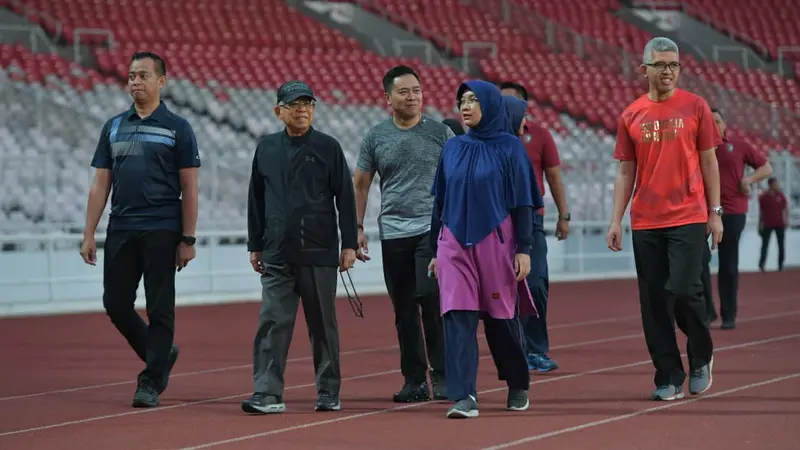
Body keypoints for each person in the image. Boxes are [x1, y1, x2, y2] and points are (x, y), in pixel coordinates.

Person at [80, 51, 199, 408]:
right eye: (132, 76)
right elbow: (100, 184)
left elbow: (189, 188)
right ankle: (159, 353)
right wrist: (89, 232)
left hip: (162, 228)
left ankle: (150, 381)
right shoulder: (113, 126)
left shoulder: (178, 128)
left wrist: (188, 239)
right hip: (122, 227)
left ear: (161, 81)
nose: (135, 81)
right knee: (115, 303)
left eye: (143, 76)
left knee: (160, 307)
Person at [606, 37, 721, 401]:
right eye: (660, 65)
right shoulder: (631, 114)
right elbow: (626, 171)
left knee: (686, 291)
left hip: (688, 215)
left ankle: (701, 356)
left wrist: (715, 213)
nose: (668, 71)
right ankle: (667, 374)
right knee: (654, 301)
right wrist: (615, 220)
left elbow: (709, 162)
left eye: (673, 65)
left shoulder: (696, 107)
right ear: (645, 69)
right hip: (645, 221)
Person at [242, 80, 358, 414]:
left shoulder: (328, 147)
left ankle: (328, 390)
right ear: (279, 111)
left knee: (322, 324)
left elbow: (345, 199)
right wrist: (255, 244)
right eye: (295, 105)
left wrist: (348, 244)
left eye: (308, 104)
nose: (302, 110)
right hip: (277, 251)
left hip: (318, 251)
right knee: (272, 321)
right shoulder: (265, 148)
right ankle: (267, 392)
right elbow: (256, 200)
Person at [428, 80, 543, 419]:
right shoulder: (452, 148)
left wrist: (524, 248)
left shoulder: (510, 147)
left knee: (501, 319)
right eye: (462, 100)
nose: (466, 106)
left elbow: (523, 202)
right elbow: (440, 201)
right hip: (453, 243)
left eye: (474, 99)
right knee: (457, 315)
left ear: (490, 105)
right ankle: (465, 395)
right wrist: (436, 248)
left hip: (497, 242)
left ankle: (518, 383)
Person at [353, 65, 454, 402]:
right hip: (393, 233)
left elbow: (457, 181)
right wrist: (356, 227)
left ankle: (442, 374)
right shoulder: (375, 137)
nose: (412, 97)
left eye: (417, 91)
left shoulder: (441, 134)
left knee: (431, 299)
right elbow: (361, 184)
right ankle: (415, 380)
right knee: (404, 310)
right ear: (387, 98)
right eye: (404, 92)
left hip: (432, 230)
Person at [499, 81, 570, 373]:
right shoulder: (483, 138)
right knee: (497, 288)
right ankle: (508, 350)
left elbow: (553, 176)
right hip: (495, 222)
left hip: (531, 220)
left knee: (535, 282)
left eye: (511, 103)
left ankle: (536, 349)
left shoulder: (540, 136)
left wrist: (563, 215)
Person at [701, 108, 772, 329]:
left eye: (717, 121)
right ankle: (707, 311)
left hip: (731, 211)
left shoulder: (739, 146)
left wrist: (749, 180)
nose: (714, 125)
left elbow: (766, 167)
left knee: (728, 264)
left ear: (724, 125)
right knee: (698, 261)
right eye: (709, 122)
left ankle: (729, 314)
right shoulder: (697, 148)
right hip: (703, 211)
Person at [758, 177, 788, 272]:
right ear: (770, 185)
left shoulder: (781, 195)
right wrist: (759, 224)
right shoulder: (764, 197)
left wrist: (786, 220)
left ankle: (781, 264)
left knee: (781, 244)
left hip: (779, 223)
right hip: (767, 223)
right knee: (765, 245)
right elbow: (761, 212)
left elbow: (785, 209)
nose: (777, 185)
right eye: (775, 184)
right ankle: (761, 264)